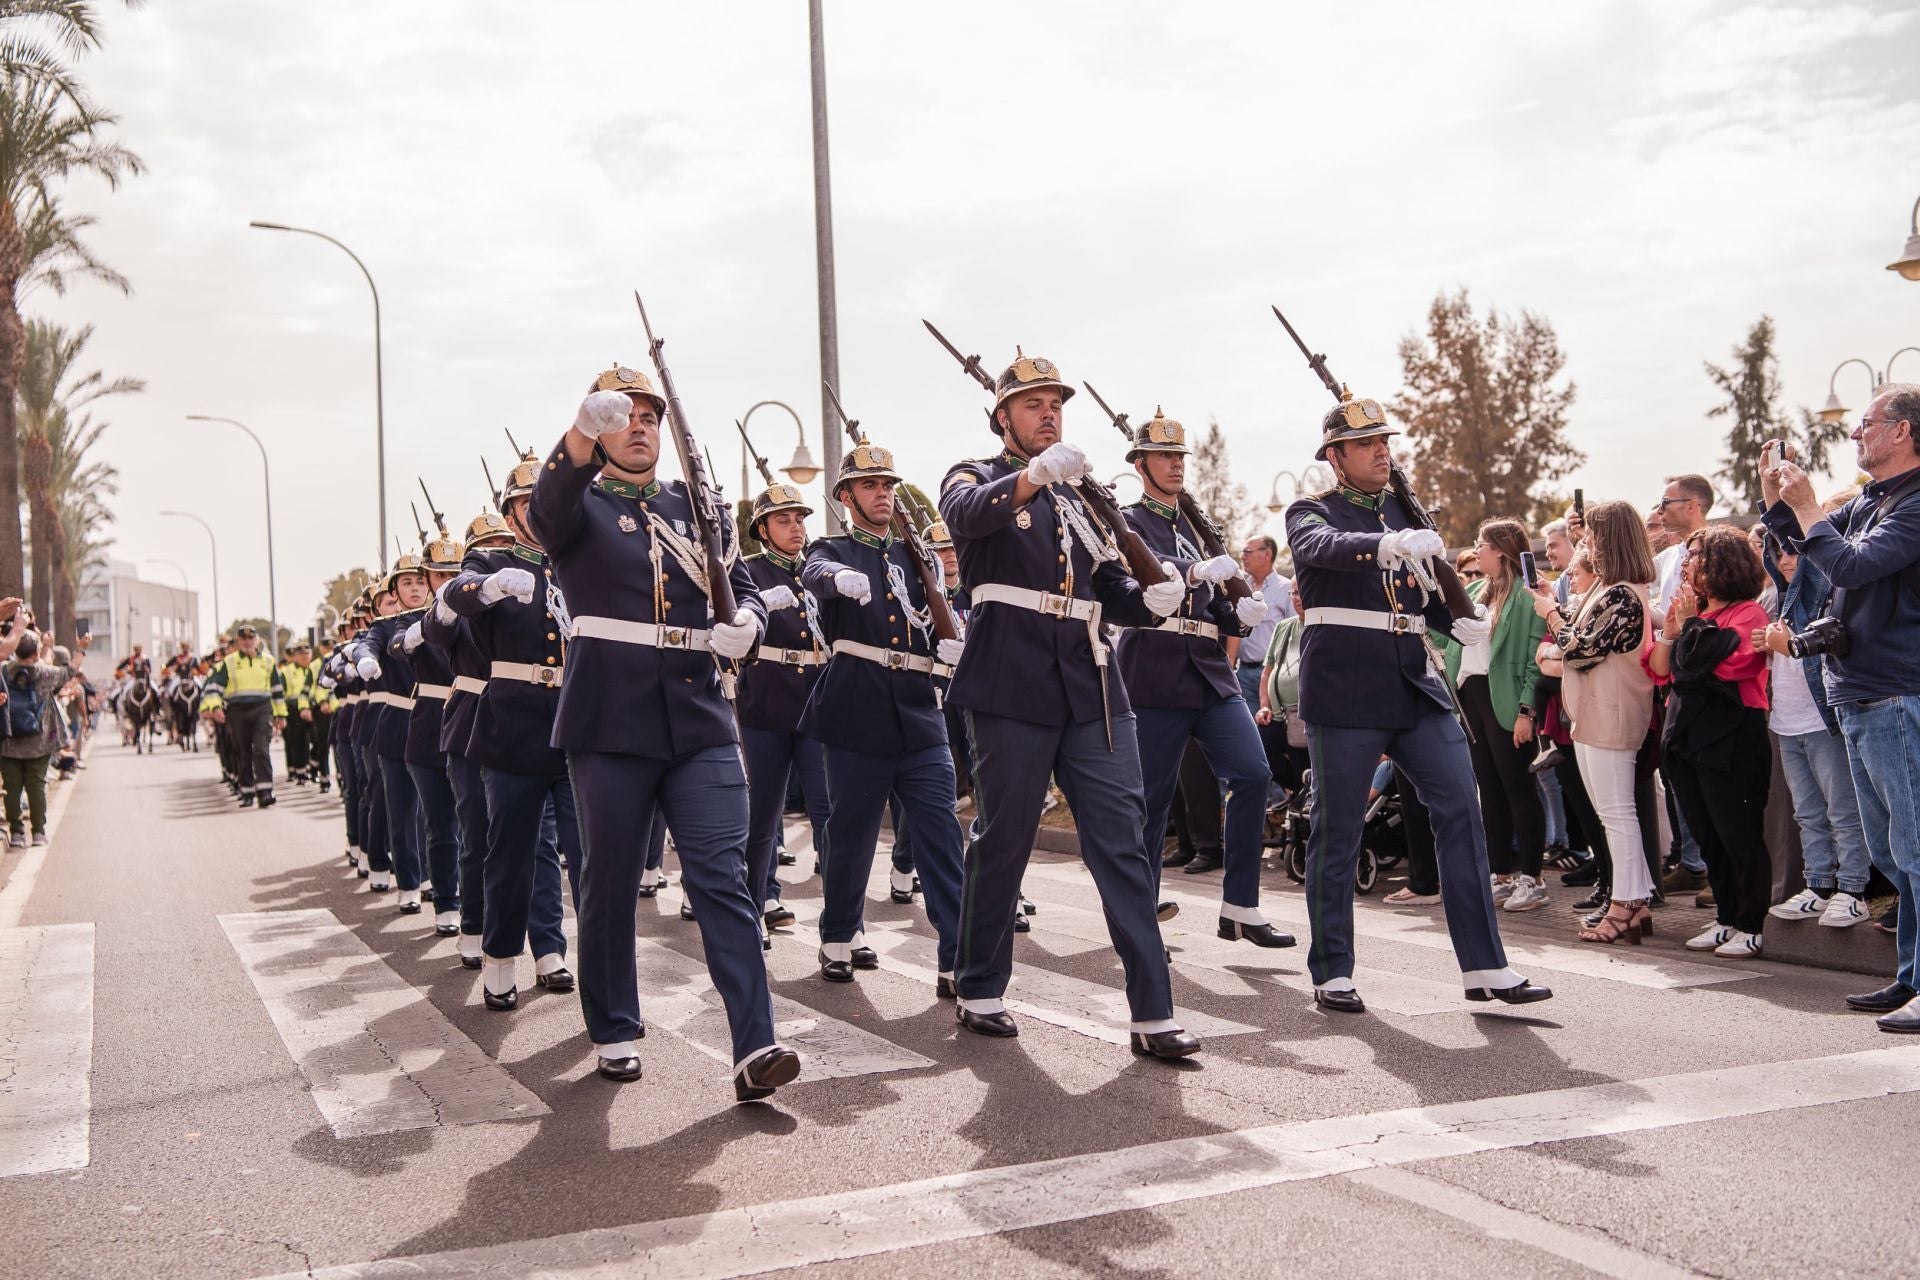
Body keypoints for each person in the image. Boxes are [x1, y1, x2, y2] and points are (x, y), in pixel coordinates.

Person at [531, 368, 798, 1099]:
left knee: (723, 877)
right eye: (624, 416)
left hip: (701, 714)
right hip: (610, 718)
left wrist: (751, 620)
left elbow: (737, 582)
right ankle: (614, 1023)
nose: (640, 424)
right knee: (610, 881)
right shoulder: (578, 504)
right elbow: (542, 513)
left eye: (649, 414)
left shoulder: (694, 504)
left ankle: (755, 1044)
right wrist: (579, 434)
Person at [936, 348, 1200, 1060]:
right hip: (1010, 680)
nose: (1048, 413)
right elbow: (963, 514)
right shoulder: (977, 476)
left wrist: (1149, 601)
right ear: (1003, 418)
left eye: (1055, 404)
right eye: (1033, 404)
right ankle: (981, 981)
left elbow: (1105, 585)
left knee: (1122, 844)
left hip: (1093, 686)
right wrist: (1031, 477)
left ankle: (1153, 1009)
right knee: (1006, 838)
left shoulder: (1086, 496)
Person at [1283, 392, 1549, 1012]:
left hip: (1414, 683)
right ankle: (1331, 968)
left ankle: (1485, 965)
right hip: (1347, 688)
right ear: (1336, 455)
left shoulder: (1402, 512)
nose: (1382, 452)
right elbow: (1320, 549)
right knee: (1339, 829)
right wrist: (1383, 545)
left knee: (1463, 811)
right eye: (1367, 444)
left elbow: (1420, 595)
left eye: (1385, 442)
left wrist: (1458, 619)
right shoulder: (1310, 509)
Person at [1760, 384, 1920, 1029]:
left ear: (1903, 431)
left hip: (1897, 693)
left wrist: (1805, 505)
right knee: (1890, 851)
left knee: (1913, 848)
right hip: (1856, 693)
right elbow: (1811, 558)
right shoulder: (1872, 501)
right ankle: (1910, 976)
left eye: (1865, 424)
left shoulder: (1914, 505)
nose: (1855, 435)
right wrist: (1778, 501)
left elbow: (1854, 569)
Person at [1115, 408, 1290, 946]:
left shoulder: (1195, 525)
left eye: (1179, 457)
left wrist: (1241, 615)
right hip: (1154, 671)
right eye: (1165, 456)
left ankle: (1240, 904)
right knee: (1149, 801)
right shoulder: (1123, 521)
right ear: (1140, 463)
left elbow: (1216, 606)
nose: (1176, 465)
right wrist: (1190, 573)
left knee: (1253, 774)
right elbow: (1128, 585)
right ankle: (1138, 915)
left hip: (1210, 672)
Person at [800, 436, 968, 985]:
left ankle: (957, 958)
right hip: (857, 711)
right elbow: (813, 572)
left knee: (941, 838)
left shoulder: (916, 559)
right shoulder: (833, 551)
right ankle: (839, 932)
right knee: (851, 835)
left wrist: (949, 644)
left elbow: (936, 615)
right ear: (846, 496)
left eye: (889, 486)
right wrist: (836, 581)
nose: (882, 495)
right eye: (870, 486)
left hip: (921, 715)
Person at [444, 452, 583, 1014]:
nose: (537, 511)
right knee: (512, 855)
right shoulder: (489, 558)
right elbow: (455, 595)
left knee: (588, 856)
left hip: (577, 723)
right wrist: (492, 586)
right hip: (513, 726)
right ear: (511, 511)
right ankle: (501, 958)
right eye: (526, 503)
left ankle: (554, 951)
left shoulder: (578, 557)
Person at [1528, 501, 1659, 943]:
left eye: (1589, 534)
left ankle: (1624, 905)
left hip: (1611, 711)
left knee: (1616, 814)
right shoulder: (1613, 590)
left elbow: (1580, 649)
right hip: (1597, 710)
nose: (1584, 539)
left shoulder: (1623, 593)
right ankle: (1635, 900)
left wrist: (1549, 615)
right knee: (1616, 814)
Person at [1649, 525, 1772, 958]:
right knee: (1706, 833)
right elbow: (1663, 668)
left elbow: (1716, 666)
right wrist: (1676, 631)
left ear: (1722, 561)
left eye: (1696, 554)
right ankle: (1725, 916)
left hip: (1732, 735)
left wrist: (1688, 630)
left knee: (1738, 832)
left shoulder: (1748, 614)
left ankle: (1751, 923)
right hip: (1686, 736)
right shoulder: (1696, 616)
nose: (1687, 561)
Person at [1754, 528, 1870, 929]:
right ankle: (1819, 886)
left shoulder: (1822, 594)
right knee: (1807, 812)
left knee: (1843, 811)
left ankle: (1853, 889)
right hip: (1786, 722)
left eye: (1791, 552)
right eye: (1777, 553)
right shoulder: (1778, 602)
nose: (1785, 560)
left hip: (1821, 721)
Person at [1437, 519, 1549, 912]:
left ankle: (1532, 878)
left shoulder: (1527, 595)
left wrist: (1526, 711)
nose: (1476, 550)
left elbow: (1536, 659)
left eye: (1481, 544)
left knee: (1519, 789)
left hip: (1506, 698)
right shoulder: (1472, 591)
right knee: (1490, 790)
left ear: (1500, 548)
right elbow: (1442, 635)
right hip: (1471, 698)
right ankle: (1500, 873)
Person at [736, 480, 831, 936]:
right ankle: (755, 905)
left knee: (830, 812)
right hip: (767, 701)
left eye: (799, 519)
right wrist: (755, 610)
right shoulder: (748, 572)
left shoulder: (818, 569)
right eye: (783, 520)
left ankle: (842, 922)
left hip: (817, 702)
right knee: (763, 815)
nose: (795, 528)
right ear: (762, 529)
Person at [397, 529, 468, 936]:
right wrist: (418, 632)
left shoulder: (477, 609)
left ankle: (475, 904)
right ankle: (447, 901)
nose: (445, 581)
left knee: (476, 825)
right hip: (429, 726)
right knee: (441, 824)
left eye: (452, 573)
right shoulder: (411, 620)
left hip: (473, 722)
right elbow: (395, 645)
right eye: (437, 575)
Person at [198, 624, 286, 809]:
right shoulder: (229, 662)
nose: (247, 642)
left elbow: (277, 691)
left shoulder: (269, 661)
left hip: (262, 709)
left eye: (250, 638)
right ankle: (247, 791)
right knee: (243, 751)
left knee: (261, 749)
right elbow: (215, 688)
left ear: (256, 640)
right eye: (243, 639)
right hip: (237, 711)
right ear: (238, 642)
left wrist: (280, 715)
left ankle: (265, 791)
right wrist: (215, 707)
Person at [1, 630, 64, 846]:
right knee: (36, 786)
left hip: (8, 741)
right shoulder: (45, 673)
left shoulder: (3, 670)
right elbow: (69, 671)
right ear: (36, 652)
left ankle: (17, 833)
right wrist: (81, 648)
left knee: (12, 788)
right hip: (38, 743)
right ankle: (38, 832)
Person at [1232, 532, 1293, 710]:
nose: (1243, 556)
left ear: (1267, 554)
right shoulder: (1239, 587)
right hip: (1242, 674)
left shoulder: (1287, 588)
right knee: (1248, 731)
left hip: (1274, 673)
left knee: (1274, 730)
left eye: (1248, 551)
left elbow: (1293, 632)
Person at [279, 640, 317, 784]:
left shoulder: (314, 668)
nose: (304, 657)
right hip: (294, 710)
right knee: (297, 742)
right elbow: (280, 694)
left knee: (317, 741)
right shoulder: (286, 671)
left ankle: (313, 768)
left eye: (307, 654)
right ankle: (300, 773)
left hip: (313, 708)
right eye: (301, 655)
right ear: (295, 656)